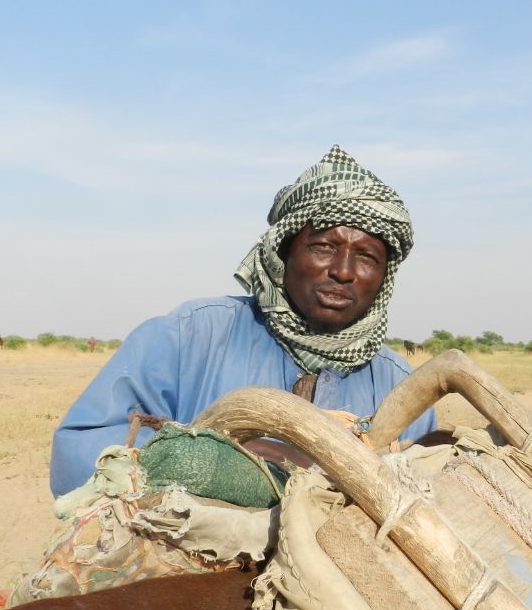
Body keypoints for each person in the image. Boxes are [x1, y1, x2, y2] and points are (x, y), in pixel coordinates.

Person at [49, 145, 438, 497]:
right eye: (324, 247)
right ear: (282, 253)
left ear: (383, 276)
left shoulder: (401, 385)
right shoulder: (191, 335)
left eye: (367, 257)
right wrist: (223, 462)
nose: (343, 271)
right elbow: (77, 453)